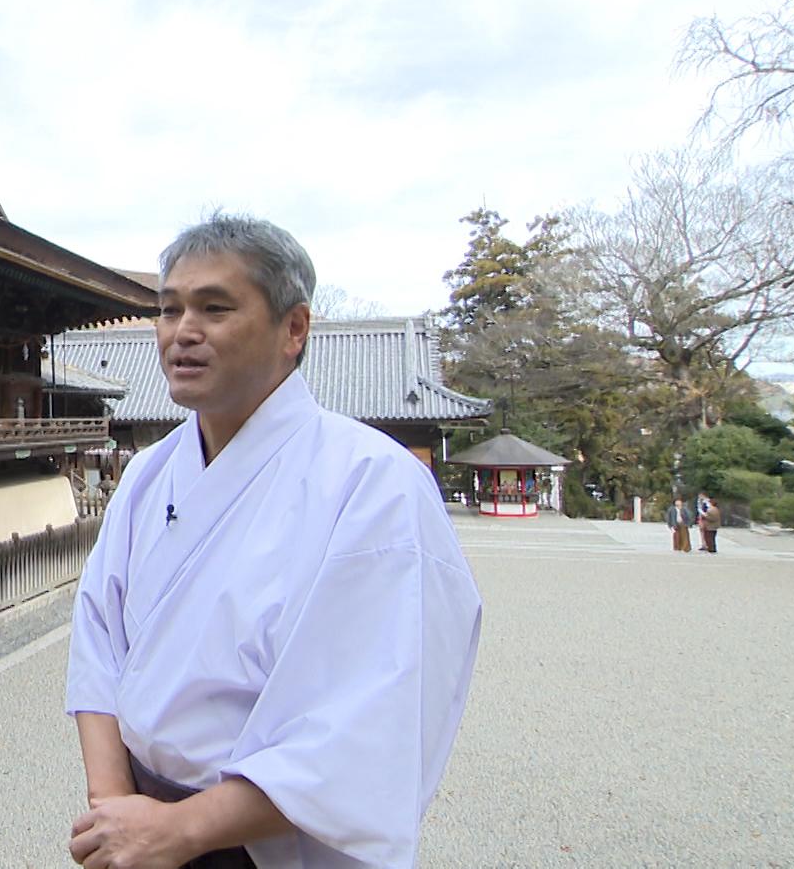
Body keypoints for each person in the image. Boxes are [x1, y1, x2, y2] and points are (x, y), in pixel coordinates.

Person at [65, 215, 482, 869]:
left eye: (215, 307)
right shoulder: (148, 474)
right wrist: (112, 803)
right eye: (169, 310)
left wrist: (181, 832)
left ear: (294, 329)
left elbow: (369, 717)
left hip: (273, 842)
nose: (182, 332)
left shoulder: (375, 484)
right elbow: (97, 639)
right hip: (134, 828)